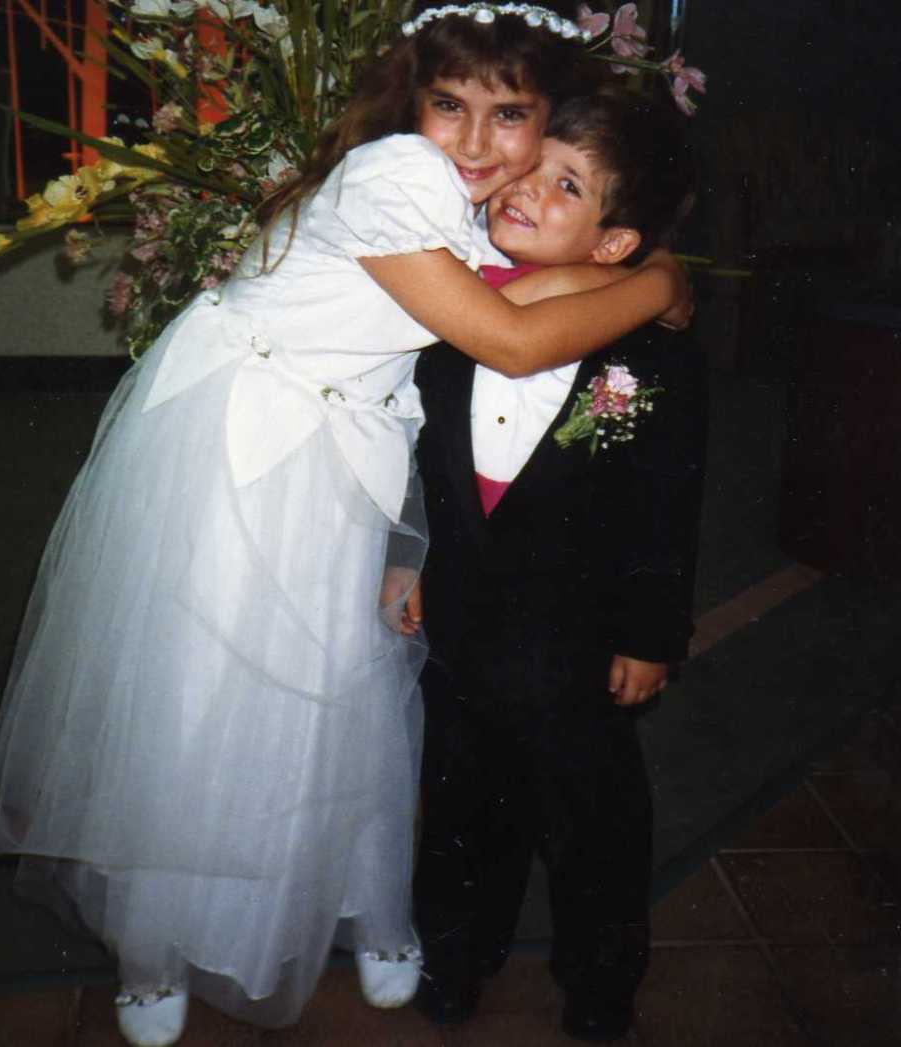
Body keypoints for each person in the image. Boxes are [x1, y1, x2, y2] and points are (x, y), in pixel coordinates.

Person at [0, 5, 689, 1045]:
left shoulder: (468, 200)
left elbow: (517, 284)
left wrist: (614, 272)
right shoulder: (395, 176)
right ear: (412, 104)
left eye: (510, 116)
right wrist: (660, 278)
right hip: (244, 442)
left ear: (548, 120)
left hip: (346, 449)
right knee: (199, 687)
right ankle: (152, 940)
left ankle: (367, 907)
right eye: (450, 107)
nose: (480, 144)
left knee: (341, 683)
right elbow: (509, 335)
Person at [411, 88, 708, 1042]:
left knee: (595, 831)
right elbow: (415, 458)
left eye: (567, 185)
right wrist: (407, 559)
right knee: (459, 817)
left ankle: (600, 984)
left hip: (575, 652)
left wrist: (650, 634)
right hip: (461, 632)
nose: (528, 189)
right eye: (532, 164)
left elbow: (668, 508)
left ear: (616, 245)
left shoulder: (648, 359)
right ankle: (456, 959)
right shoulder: (446, 301)